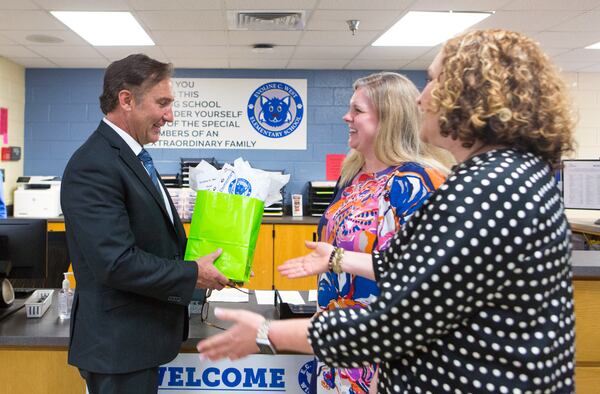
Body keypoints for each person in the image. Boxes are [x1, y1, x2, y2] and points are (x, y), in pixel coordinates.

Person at [197, 29, 576, 394]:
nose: (422, 98)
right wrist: (337, 258)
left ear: (470, 95)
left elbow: (398, 318)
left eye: (433, 81)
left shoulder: (486, 188)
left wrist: (267, 332)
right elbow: (409, 266)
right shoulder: (508, 176)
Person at [61, 54, 229, 393]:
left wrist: (207, 258)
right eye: (162, 103)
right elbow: (116, 263)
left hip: (139, 342)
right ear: (126, 100)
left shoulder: (133, 157)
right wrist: (193, 272)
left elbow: (154, 239)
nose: (170, 115)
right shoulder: (94, 165)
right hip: (118, 348)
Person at [304, 72, 447, 393]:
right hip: (337, 341)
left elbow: (424, 276)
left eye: (357, 110)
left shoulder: (419, 182)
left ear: (389, 119)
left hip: (386, 348)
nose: (346, 117)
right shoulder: (351, 174)